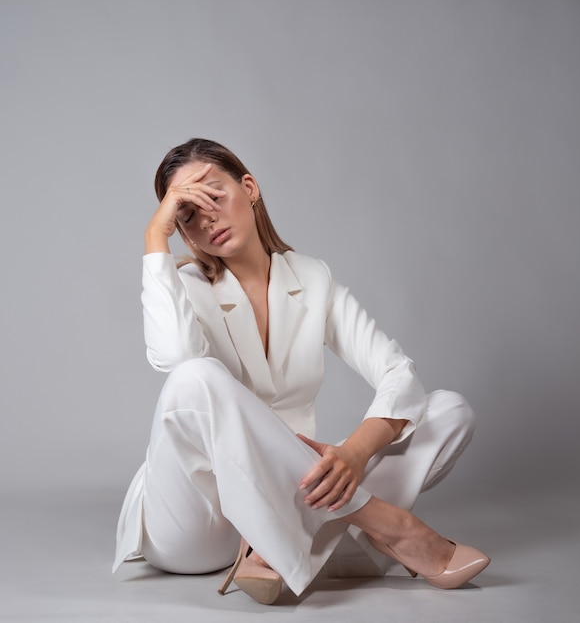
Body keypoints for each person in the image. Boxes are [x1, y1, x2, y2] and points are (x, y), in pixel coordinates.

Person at [113, 138, 490, 605]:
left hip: (294, 499)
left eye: (213, 196)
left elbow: (398, 372)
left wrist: (353, 453)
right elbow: (176, 361)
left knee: (450, 410)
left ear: (248, 188)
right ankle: (387, 528)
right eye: (186, 215)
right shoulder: (184, 286)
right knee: (196, 377)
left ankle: (283, 546)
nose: (205, 218)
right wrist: (155, 239)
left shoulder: (312, 278)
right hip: (199, 523)